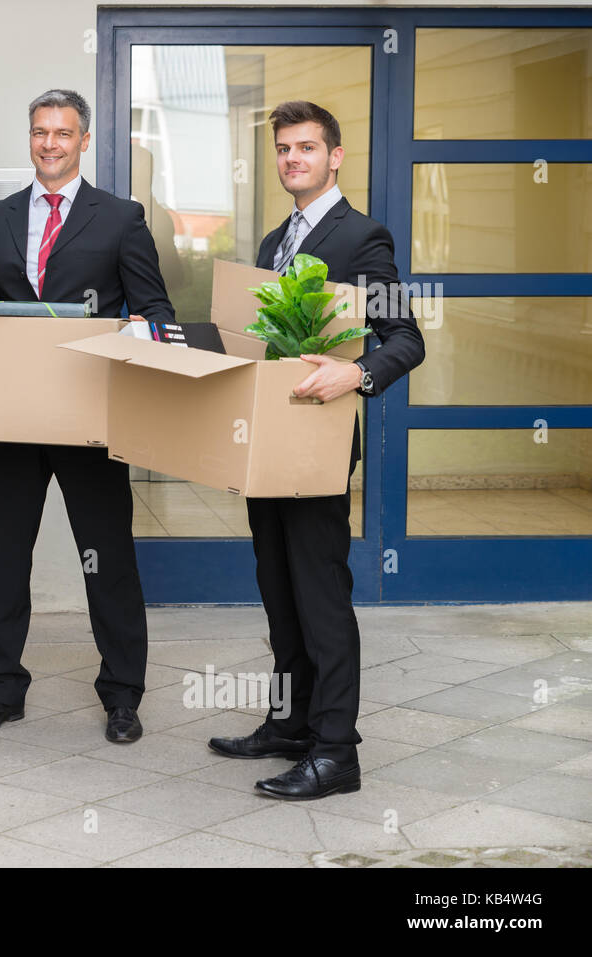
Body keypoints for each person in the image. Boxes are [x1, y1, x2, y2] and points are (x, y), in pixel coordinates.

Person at [208, 101, 425, 799]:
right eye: (282, 149)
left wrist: (355, 375)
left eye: (306, 147)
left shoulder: (363, 237)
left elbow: (406, 340)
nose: (292, 158)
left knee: (321, 597)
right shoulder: (275, 239)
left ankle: (337, 753)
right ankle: (290, 722)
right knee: (279, 591)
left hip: (319, 449)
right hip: (268, 444)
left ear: (335, 157)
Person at [0, 89, 175, 744]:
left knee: (106, 556)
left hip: (91, 417)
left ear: (84, 141)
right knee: (6, 556)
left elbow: (155, 311)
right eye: (40, 131)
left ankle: (123, 694)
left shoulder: (121, 217)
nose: (50, 143)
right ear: (30, 138)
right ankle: (0, 689)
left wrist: (135, 333)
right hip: (16, 420)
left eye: (63, 132)